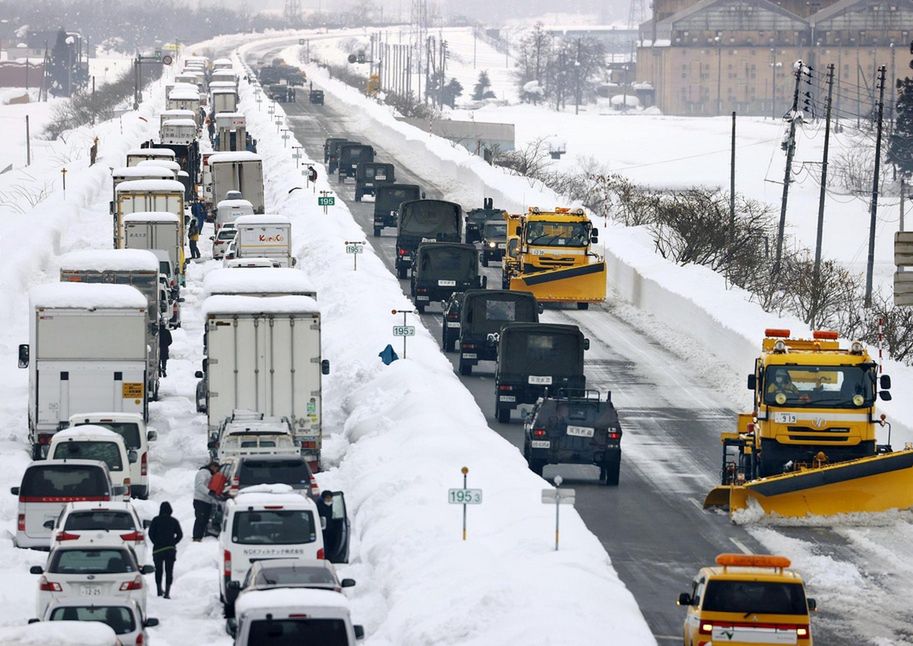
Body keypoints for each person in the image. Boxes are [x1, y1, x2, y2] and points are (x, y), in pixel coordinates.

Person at [148, 501, 183, 598]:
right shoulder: (174, 521)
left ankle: (159, 590)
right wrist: (173, 542)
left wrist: (156, 542)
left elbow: (150, 534)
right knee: (169, 571)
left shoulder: (155, 520)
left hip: (158, 550)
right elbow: (180, 535)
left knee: (158, 570)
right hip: (170, 550)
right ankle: (167, 593)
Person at [192, 460, 220, 541]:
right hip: (200, 500)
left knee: (205, 519)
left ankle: (202, 535)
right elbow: (199, 485)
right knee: (200, 519)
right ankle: (197, 537)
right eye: (216, 469)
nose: (216, 471)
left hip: (207, 501)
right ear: (212, 467)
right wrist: (209, 492)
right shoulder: (203, 472)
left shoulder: (210, 474)